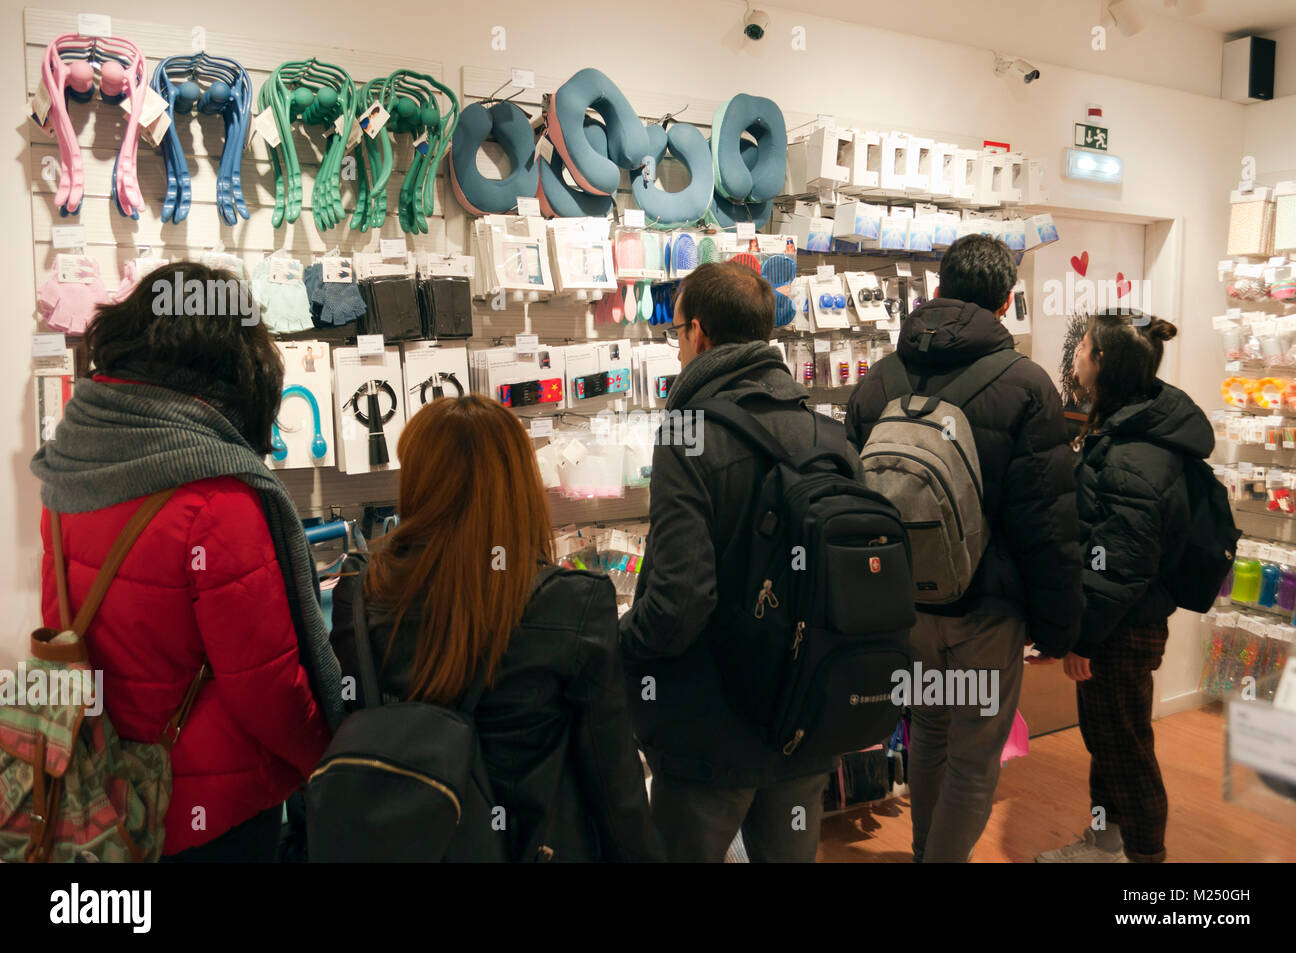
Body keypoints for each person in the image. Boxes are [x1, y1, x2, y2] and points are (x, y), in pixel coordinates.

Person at [30, 261, 339, 862]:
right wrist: (325, 756)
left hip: (98, 782)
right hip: (202, 809)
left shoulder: (71, 461)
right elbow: (267, 690)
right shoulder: (217, 499)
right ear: (234, 364)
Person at [330, 395, 662, 862]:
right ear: (519, 485)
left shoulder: (359, 591)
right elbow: (613, 783)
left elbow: (345, 726)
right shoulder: (573, 601)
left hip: (405, 839)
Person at [845, 234, 1082, 862]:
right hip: (985, 611)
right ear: (1006, 301)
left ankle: (928, 852)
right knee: (975, 760)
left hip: (902, 606)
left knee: (930, 733)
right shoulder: (1027, 384)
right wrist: (1060, 626)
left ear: (939, 289)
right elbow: (1048, 522)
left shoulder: (878, 380)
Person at [620, 262, 863, 862]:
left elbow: (681, 600)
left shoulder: (688, 434)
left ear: (697, 333)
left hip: (710, 730)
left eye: (675, 331)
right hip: (805, 718)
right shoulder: (828, 437)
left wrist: (621, 645)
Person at [1036, 311, 1206, 864]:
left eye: (1082, 346)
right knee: (1110, 740)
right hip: (1121, 621)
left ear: (1102, 361)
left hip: (1121, 627)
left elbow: (1122, 562)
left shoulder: (1136, 450)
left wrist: (1085, 637)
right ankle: (1105, 842)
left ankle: (1145, 863)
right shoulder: (1123, 425)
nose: (1075, 356)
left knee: (1124, 748)